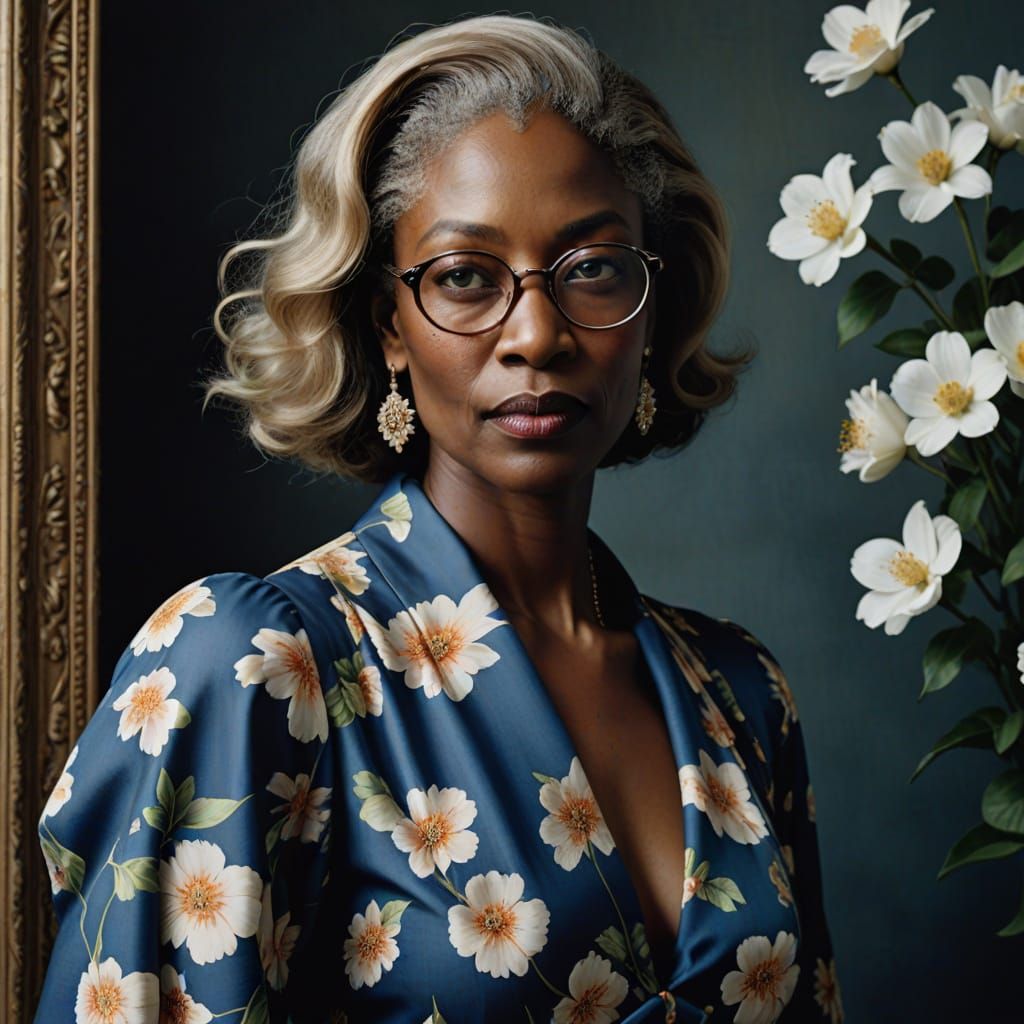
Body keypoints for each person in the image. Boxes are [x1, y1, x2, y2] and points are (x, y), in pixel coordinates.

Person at [34, 13, 843, 1024]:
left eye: (593, 266)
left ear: (650, 305)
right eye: (465, 277)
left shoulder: (741, 694)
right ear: (390, 326)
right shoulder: (257, 664)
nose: (536, 334)